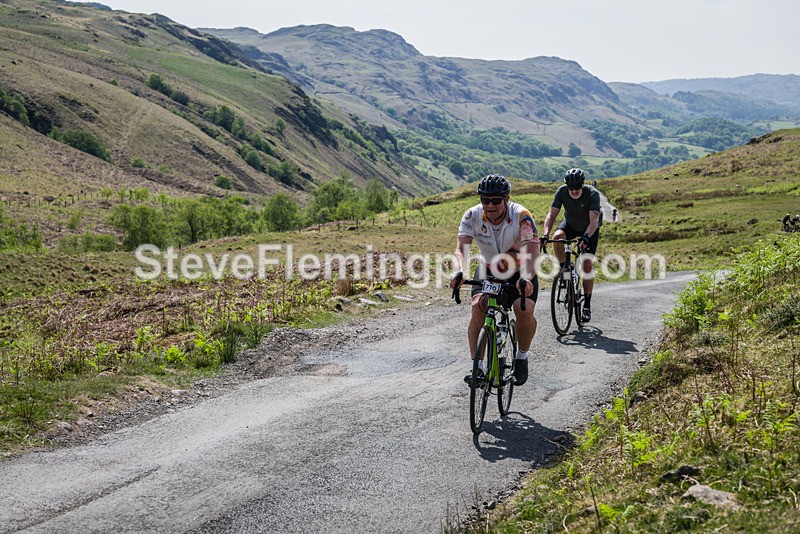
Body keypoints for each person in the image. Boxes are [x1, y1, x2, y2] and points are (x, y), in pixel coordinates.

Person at [450, 174, 540, 386]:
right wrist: (460, 271)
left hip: (520, 269)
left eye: (496, 200)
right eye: (485, 200)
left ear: (506, 199)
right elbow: (461, 249)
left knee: (524, 310)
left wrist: (526, 278)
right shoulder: (472, 215)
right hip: (489, 268)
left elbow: (532, 252)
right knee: (478, 307)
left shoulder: (522, 216)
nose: (490, 205)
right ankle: (477, 367)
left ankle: (521, 357)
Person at [540, 168, 601, 323]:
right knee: (557, 238)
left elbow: (594, 221)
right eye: (571, 188)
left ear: (582, 184)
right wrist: (545, 234)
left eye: (577, 187)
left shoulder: (592, 194)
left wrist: (586, 237)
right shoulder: (562, 191)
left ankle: (587, 305)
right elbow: (551, 215)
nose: (574, 191)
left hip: (589, 228)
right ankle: (565, 270)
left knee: (586, 264)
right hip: (570, 225)